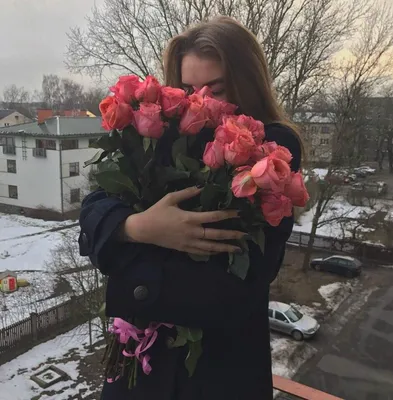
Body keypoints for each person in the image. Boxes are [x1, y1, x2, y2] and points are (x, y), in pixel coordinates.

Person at [79, 16, 301, 400]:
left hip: (216, 374)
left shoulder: (271, 149)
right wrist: (137, 229)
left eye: (215, 88)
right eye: (187, 88)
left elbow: (234, 285)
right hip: (137, 370)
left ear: (245, 82)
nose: (200, 101)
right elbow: (94, 205)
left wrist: (125, 276)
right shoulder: (166, 132)